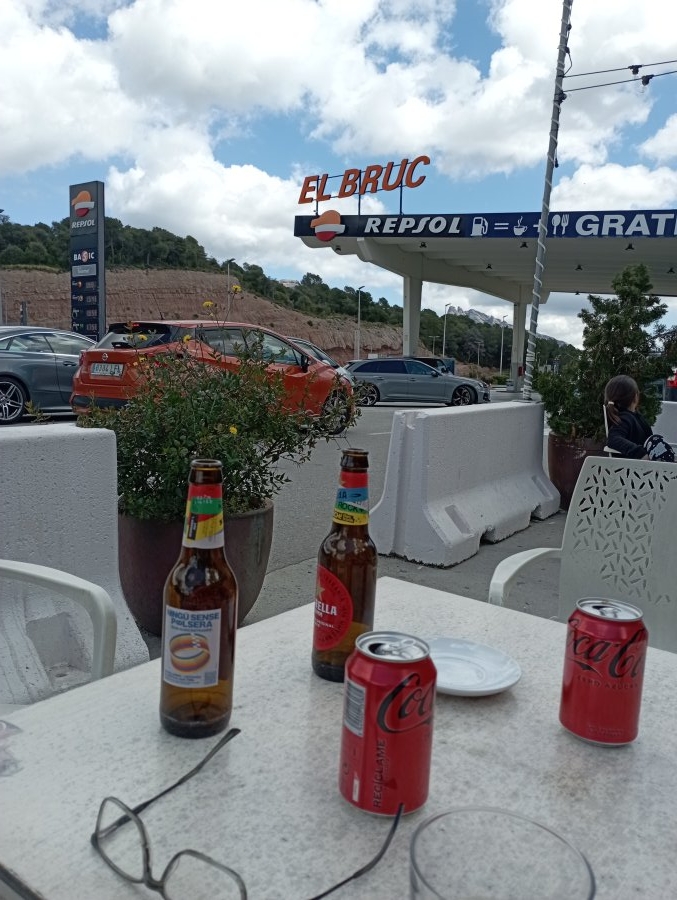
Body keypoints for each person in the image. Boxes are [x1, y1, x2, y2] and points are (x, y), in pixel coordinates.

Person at [604, 375, 675, 462]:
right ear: (635, 397)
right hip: (633, 467)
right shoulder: (624, 419)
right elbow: (613, 439)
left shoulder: (632, 417)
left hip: (641, 467)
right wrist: (640, 454)